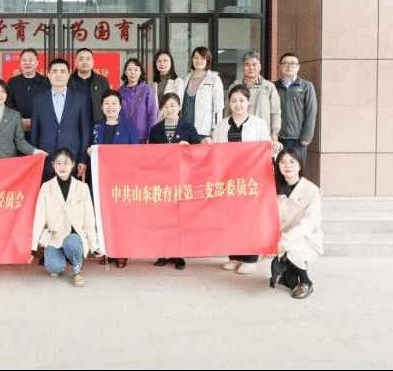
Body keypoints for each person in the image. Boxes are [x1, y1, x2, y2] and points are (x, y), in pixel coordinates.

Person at [213, 84, 282, 275]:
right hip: (229, 179)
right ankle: (235, 256)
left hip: (251, 180)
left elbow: (265, 150)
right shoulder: (222, 125)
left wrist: (274, 148)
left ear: (248, 103)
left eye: (241, 100)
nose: (238, 104)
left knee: (250, 218)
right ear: (229, 103)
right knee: (231, 217)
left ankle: (250, 258)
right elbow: (216, 151)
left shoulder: (258, 124)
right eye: (234, 100)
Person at [29, 148, 103, 287]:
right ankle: (61, 257)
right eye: (59, 163)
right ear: (53, 165)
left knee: (71, 242)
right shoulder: (46, 187)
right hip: (54, 237)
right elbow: (39, 218)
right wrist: (33, 248)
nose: (62, 167)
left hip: (74, 237)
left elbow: (89, 220)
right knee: (54, 268)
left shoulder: (83, 187)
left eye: (66, 163)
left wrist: (94, 245)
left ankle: (77, 268)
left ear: (73, 164)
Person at [147, 92, 202, 270]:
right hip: (163, 180)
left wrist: (188, 148)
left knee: (180, 217)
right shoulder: (155, 130)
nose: (169, 109)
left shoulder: (188, 127)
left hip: (182, 179)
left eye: (172, 105)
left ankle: (179, 254)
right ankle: (163, 252)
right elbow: (151, 156)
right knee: (163, 217)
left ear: (179, 107)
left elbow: (199, 152)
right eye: (165, 106)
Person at [87, 89, 139, 269]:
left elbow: (135, 153)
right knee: (102, 214)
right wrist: (89, 151)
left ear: (120, 106)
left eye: (114, 103)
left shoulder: (129, 126)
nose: (110, 107)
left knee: (121, 215)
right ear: (102, 107)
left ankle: (121, 252)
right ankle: (105, 250)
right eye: (107, 103)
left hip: (122, 179)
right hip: (101, 178)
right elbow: (89, 146)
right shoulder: (96, 126)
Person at [270, 148, 323, 299]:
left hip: (307, 237)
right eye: (282, 162)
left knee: (292, 248)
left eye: (292, 162)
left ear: (300, 165)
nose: (287, 166)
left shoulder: (311, 190)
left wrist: (287, 239)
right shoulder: (276, 189)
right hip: (284, 235)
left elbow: (309, 222)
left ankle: (306, 282)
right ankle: (288, 274)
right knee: (288, 276)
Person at [30, 58, 91, 182]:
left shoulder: (80, 99)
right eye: (55, 71)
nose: (59, 75)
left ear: (69, 74)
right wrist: (35, 159)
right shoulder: (38, 100)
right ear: (48, 75)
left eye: (63, 71)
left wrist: (83, 159)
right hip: (46, 158)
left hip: (72, 158)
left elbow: (85, 131)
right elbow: (34, 132)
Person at [227, 51, 281, 142]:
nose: (251, 68)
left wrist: (275, 133)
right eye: (247, 65)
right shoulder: (234, 86)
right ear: (242, 67)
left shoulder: (269, 87)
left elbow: (275, 113)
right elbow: (228, 111)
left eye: (254, 65)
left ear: (260, 67)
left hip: (262, 134)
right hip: (239, 134)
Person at [274, 53, 317, 164]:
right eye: (285, 63)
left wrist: (307, 135)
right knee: (279, 168)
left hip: (298, 139)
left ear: (298, 67)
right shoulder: (273, 87)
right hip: (278, 138)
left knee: (296, 168)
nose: (289, 66)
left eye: (293, 63)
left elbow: (311, 111)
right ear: (279, 66)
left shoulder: (306, 86)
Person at [181, 47, 224, 143]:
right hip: (185, 131)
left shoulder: (214, 79)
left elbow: (218, 108)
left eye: (202, 58)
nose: (199, 61)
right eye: (196, 57)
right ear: (192, 60)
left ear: (207, 60)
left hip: (204, 131)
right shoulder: (185, 79)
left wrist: (215, 131)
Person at [7, 48, 51, 139]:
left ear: (37, 63)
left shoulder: (46, 83)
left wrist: (34, 121)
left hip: (41, 130)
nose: (27, 63)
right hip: (17, 131)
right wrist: (20, 120)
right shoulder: (12, 82)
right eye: (24, 60)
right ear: (20, 63)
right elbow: (8, 104)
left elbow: (50, 105)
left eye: (31, 60)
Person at [68, 48, 111, 124]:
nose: (85, 62)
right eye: (81, 59)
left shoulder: (102, 81)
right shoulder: (68, 81)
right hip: (73, 125)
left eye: (88, 59)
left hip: (96, 125)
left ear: (93, 62)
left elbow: (108, 104)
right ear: (75, 62)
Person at [119, 57, 158, 141]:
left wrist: (151, 137)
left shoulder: (147, 91)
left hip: (142, 138)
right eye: (129, 69)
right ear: (125, 72)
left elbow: (152, 115)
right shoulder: (119, 92)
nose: (132, 72)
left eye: (136, 70)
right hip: (123, 137)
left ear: (141, 72)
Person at [150, 49, 185, 122]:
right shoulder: (153, 84)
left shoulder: (178, 82)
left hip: (171, 120)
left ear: (171, 63)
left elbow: (178, 104)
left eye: (165, 60)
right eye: (159, 61)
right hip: (155, 122)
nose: (162, 64)